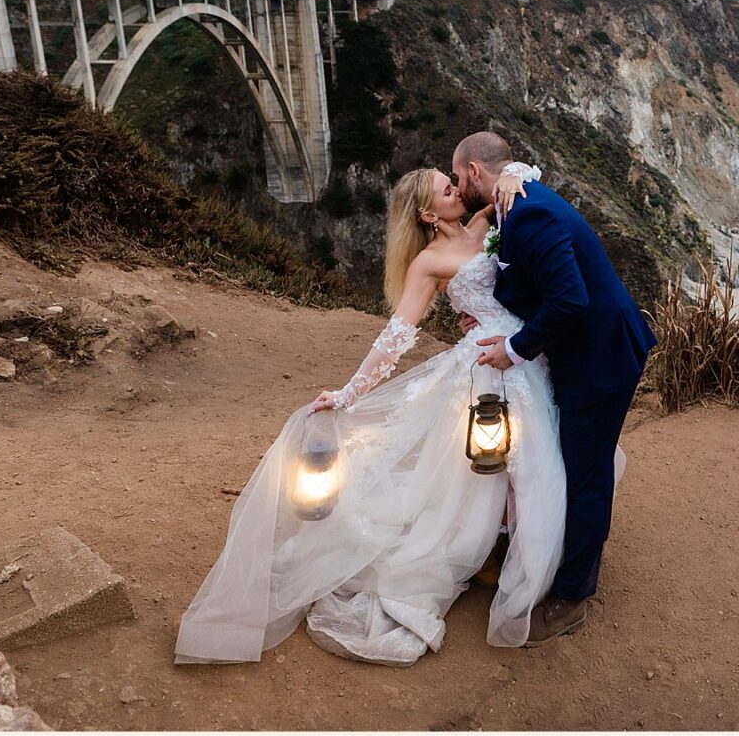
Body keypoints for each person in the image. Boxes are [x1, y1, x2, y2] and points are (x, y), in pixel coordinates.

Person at [174, 161, 559, 666]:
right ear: (428, 212)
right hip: (485, 367)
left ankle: (507, 550)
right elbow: (396, 336)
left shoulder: (485, 223)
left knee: (526, 461)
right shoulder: (429, 261)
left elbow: (524, 178)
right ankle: (499, 556)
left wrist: (510, 174)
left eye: (454, 181)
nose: (456, 188)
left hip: (521, 352)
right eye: (447, 188)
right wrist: (350, 392)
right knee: (490, 466)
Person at [451, 131, 657, 644]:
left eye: (458, 177)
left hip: (601, 357)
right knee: (567, 462)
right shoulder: (515, 199)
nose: (457, 186)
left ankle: (571, 598)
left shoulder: (526, 214)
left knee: (587, 473)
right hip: (581, 351)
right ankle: (540, 556)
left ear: (476, 172)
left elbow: (569, 301)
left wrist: (515, 349)